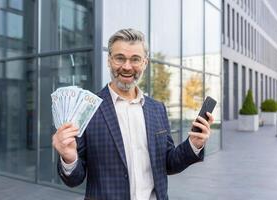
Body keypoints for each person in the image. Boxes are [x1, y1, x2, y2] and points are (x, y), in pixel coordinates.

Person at [52, 28, 214, 200]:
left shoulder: (157, 109)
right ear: (109, 60)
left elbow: (168, 163)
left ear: (145, 63)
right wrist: (69, 158)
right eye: (119, 58)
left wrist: (193, 144)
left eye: (135, 59)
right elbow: (75, 178)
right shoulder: (87, 109)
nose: (127, 67)